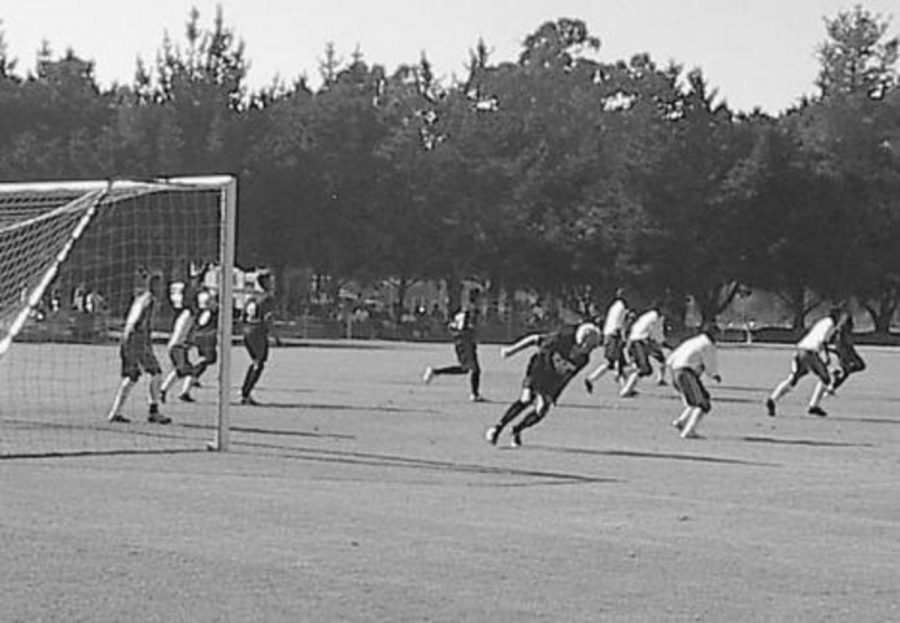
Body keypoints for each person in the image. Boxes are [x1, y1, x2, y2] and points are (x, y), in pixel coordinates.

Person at [485, 322, 602, 448]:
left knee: (541, 410)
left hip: (551, 380)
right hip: (538, 368)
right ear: (581, 339)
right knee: (526, 398)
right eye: (589, 345)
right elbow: (534, 339)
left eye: (592, 347)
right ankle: (497, 429)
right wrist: (512, 350)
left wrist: (555, 394)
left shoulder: (583, 360)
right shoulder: (561, 338)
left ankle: (517, 430)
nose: (589, 349)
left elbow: (567, 377)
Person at [107, 271, 170, 424]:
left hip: (127, 338)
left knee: (132, 376)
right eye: (160, 285)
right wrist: (142, 337)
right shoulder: (150, 300)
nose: (162, 288)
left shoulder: (139, 298)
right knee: (157, 374)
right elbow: (140, 320)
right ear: (154, 286)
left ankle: (115, 413)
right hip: (137, 339)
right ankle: (153, 412)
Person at [765, 307, 842, 417]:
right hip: (810, 353)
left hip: (801, 349)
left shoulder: (823, 322)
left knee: (793, 379)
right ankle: (813, 406)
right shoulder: (830, 324)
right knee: (826, 379)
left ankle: (772, 399)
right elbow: (822, 340)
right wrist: (827, 356)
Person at [422, 289, 484, 402]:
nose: (483, 300)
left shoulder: (467, 309)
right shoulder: (471, 310)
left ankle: (435, 372)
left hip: (464, 342)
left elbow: (453, 325)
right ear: (476, 298)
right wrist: (467, 336)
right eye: (481, 298)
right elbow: (464, 327)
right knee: (474, 369)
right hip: (465, 343)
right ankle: (474, 394)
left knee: (466, 369)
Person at [667, 324, 722, 439]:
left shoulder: (692, 341)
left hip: (675, 371)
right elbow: (710, 364)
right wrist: (714, 375)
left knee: (699, 399)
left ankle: (681, 422)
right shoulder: (707, 344)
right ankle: (688, 431)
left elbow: (671, 359)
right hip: (686, 373)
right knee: (703, 404)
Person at [240, 271, 275, 405]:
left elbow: (242, 316)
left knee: (256, 361)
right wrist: (275, 336)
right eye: (270, 280)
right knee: (259, 363)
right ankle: (246, 393)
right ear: (265, 282)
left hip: (247, 331)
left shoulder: (251, 298)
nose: (272, 283)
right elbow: (268, 319)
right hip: (258, 331)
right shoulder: (267, 298)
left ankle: (245, 391)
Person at [584, 288, 629, 393]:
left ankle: (625, 388)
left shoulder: (615, 306)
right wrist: (622, 337)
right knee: (610, 362)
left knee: (620, 362)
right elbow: (618, 324)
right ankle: (591, 379)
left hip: (609, 334)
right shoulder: (621, 307)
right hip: (613, 336)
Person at [618, 303, 668, 398]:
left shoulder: (650, 315)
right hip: (639, 341)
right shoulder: (655, 317)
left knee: (648, 367)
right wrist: (661, 342)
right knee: (644, 369)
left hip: (638, 341)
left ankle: (628, 385)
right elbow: (657, 334)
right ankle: (626, 389)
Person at [160, 281, 197, 404]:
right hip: (177, 347)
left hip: (177, 346)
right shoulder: (188, 314)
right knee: (187, 370)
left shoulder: (183, 314)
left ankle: (169, 390)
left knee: (184, 370)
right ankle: (172, 391)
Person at [185, 287, 219, 391]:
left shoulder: (202, 312)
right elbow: (203, 325)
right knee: (208, 359)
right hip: (206, 338)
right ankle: (190, 378)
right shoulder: (208, 313)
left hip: (202, 337)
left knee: (207, 359)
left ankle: (192, 379)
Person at [826, 312, 865, 395]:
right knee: (850, 371)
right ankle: (831, 387)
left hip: (849, 352)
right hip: (846, 353)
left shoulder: (842, 330)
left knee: (860, 366)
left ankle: (836, 376)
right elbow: (841, 344)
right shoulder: (842, 331)